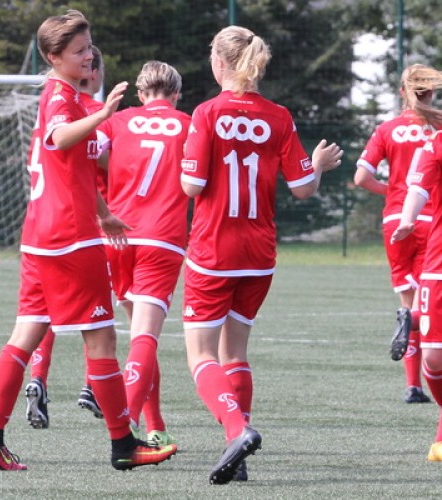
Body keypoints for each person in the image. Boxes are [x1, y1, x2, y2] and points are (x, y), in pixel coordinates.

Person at [0, 10, 176, 471]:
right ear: (53, 57)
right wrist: (104, 113)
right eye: (79, 51)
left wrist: (104, 214)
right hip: (68, 239)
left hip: (44, 234)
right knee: (101, 340)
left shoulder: (70, 98)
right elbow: (59, 138)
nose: (88, 56)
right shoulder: (60, 98)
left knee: (25, 334)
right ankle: (124, 444)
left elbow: (74, 167)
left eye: (89, 47)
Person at [179, 25, 342, 484]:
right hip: (260, 251)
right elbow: (304, 188)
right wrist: (319, 164)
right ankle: (240, 455)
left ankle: (237, 430)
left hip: (214, 248)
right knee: (236, 351)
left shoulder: (207, 112)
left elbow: (191, 185)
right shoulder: (279, 116)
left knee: (200, 356)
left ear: (219, 63)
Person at [98, 60, 191, 446]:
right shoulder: (189, 124)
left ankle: (155, 424)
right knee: (145, 338)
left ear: (140, 94)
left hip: (117, 237)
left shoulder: (117, 121)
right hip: (161, 238)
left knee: (139, 336)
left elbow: (89, 159)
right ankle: (126, 426)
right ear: (177, 94)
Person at [25, 45, 107, 428]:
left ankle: (33, 383)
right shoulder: (82, 109)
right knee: (102, 330)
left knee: (39, 321)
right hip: (77, 227)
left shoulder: (50, 106)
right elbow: (103, 163)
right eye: (84, 54)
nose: (90, 62)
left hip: (42, 226)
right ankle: (98, 393)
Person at [355, 64, 442, 404]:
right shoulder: (437, 130)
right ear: (431, 93)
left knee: (409, 301)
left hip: (397, 219)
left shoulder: (387, 129)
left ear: (401, 92)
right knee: (432, 299)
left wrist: (394, 191)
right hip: (432, 220)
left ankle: (412, 386)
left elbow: (362, 177)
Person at [391, 72, 442, 461]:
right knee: (435, 359)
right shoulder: (435, 144)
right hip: (437, 261)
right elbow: (419, 188)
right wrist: (408, 219)